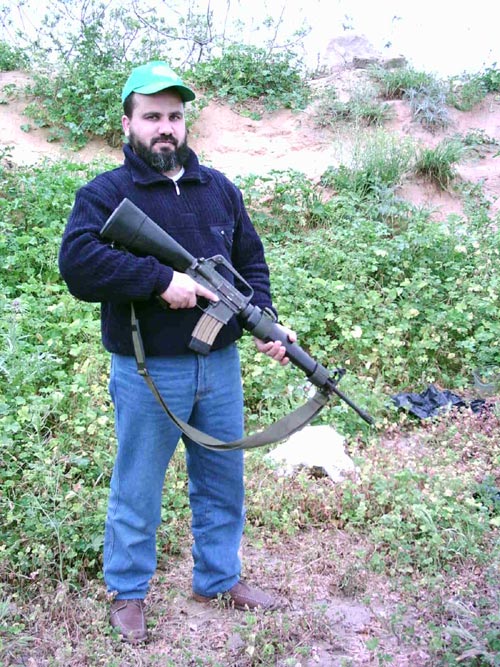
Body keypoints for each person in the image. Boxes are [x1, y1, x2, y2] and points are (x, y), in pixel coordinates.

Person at [58, 60, 296, 644]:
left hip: (219, 366)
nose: (165, 127)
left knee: (222, 479)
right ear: (128, 124)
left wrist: (263, 319)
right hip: (148, 372)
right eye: (152, 116)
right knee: (138, 484)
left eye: (174, 116)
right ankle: (127, 591)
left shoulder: (219, 190)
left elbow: (251, 263)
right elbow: (78, 264)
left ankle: (218, 578)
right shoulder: (105, 194)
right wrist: (159, 280)